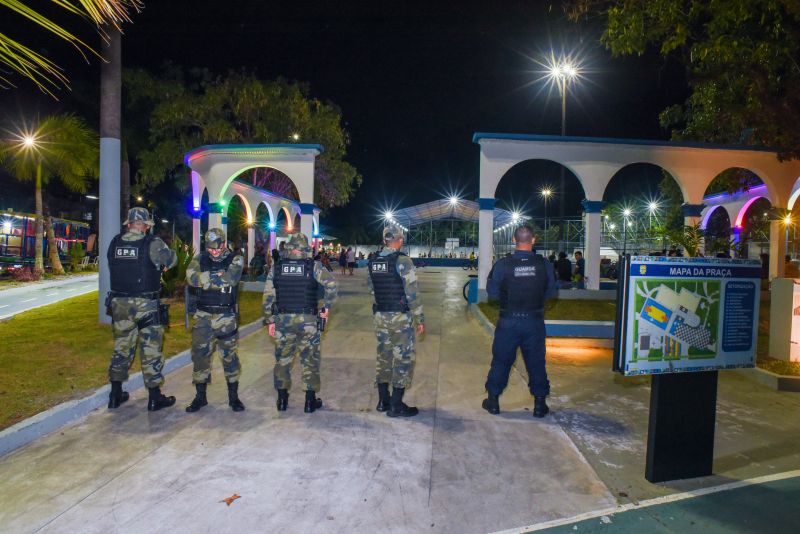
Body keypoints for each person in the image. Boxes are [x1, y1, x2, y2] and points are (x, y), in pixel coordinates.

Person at [106, 207, 178, 412]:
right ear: (146, 226)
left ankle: (115, 394)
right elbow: (172, 261)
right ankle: (154, 398)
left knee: (121, 348)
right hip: (146, 305)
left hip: (119, 305)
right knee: (151, 351)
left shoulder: (115, 243)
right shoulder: (152, 243)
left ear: (128, 224)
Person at [482, 225, 556, 418]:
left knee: (501, 361)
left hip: (508, 321)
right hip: (534, 321)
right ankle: (539, 405)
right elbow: (551, 292)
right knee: (536, 363)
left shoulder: (502, 264)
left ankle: (493, 402)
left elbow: (492, 292)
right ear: (533, 240)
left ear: (514, 240)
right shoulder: (544, 264)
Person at [263, 233, 337, 413]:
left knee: (283, 360)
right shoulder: (314, 266)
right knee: (309, 360)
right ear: (305, 248)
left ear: (288, 248)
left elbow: (268, 296)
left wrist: (270, 320)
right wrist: (325, 308)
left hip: (283, 320)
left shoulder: (277, 267)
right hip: (309, 321)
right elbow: (331, 286)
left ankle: (282, 400)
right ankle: (310, 402)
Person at [184, 228, 246, 413]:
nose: (214, 252)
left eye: (217, 248)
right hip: (202, 316)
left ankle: (233, 398)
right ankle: (200, 397)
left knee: (229, 357)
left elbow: (230, 279)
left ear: (224, 243)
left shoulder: (235, 258)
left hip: (226, 316)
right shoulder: (200, 259)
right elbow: (191, 278)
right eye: (211, 249)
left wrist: (205, 279)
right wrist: (215, 277)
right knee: (200, 356)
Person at [367, 224, 425, 418]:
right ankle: (396, 405)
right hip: (400, 319)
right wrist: (419, 318)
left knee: (384, 356)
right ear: (400, 240)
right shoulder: (403, 261)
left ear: (384, 241)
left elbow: (372, 289)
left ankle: (383, 400)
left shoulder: (373, 261)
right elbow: (412, 293)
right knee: (403, 359)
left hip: (380, 316)